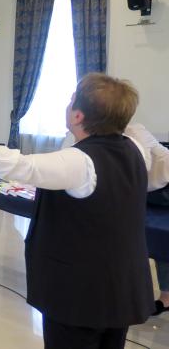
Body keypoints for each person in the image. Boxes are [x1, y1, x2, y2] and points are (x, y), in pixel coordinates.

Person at [0, 73, 153, 349]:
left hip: (80, 295)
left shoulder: (80, 162)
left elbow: (22, 166)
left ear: (78, 116)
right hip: (120, 288)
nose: (68, 104)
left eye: (71, 100)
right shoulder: (136, 149)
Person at [65, 123, 169, 316]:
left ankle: (165, 296)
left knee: (160, 242)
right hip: (145, 190)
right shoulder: (93, 135)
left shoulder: (134, 132)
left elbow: (141, 168)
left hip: (162, 186)